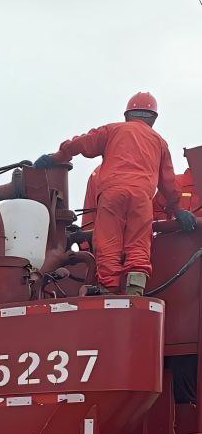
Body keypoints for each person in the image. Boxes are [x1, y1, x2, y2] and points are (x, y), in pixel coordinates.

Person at [35, 92, 198, 295]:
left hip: (112, 195)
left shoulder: (112, 130)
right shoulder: (159, 142)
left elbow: (82, 143)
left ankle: (108, 290)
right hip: (141, 198)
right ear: (153, 118)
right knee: (139, 243)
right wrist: (178, 209)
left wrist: (57, 157)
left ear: (127, 115)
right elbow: (168, 181)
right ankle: (135, 290)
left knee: (108, 242)